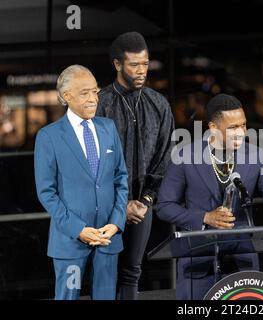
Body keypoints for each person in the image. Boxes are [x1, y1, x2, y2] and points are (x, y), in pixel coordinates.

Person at [156, 93, 263, 299]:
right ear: (213, 127)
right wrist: (205, 217)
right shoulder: (184, 157)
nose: (241, 133)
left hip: (243, 261)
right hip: (198, 262)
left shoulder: (256, 155)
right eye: (232, 128)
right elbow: (165, 206)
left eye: (243, 125)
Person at [34, 65, 128, 300]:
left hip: (108, 238)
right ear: (67, 96)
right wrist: (78, 230)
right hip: (70, 240)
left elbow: (121, 179)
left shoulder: (108, 128)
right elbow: (47, 193)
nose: (93, 99)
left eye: (95, 92)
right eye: (85, 93)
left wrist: (116, 223)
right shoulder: (49, 136)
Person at [96, 32, 175, 300]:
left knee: (132, 271)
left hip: (143, 204)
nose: (142, 71)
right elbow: (91, 162)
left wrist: (145, 199)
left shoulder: (158, 104)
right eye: (134, 65)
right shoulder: (99, 104)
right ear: (118, 65)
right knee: (103, 270)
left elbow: (164, 157)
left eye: (145, 64)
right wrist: (121, 203)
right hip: (104, 203)